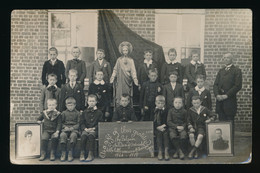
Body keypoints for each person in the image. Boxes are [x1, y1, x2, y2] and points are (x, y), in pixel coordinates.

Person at [213, 53, 242, 122]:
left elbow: (237, 86)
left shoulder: (236, 70)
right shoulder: (221, 71)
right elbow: (215, 84)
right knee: (221, 122)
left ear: (232, 59)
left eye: (228, 58)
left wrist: (227, 95)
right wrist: (217, 95)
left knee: (229, 122)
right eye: (224, 58)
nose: (226, 59)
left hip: (230, 101)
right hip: (220, 101)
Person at [110, 41, 138, 107]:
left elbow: (133, 71)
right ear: (121, 51)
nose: (125, 52)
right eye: (123, 50)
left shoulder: (131, 60)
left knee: (127, 94)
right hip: (120, 80)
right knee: (119, 94)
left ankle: (127, 107)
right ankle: (118, 108)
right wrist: (113, 76)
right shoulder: (119, 60)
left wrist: (135, 78)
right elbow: (115, 69)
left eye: (126, 50)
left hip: (128, 80)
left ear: (128, 51)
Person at [79, 94, 103, 162]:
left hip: (94, 129)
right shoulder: (84, 112)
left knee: (91, 136)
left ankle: (90, 153)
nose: (91, 103)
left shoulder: (99, 112)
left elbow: (100, 123)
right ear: (87, 102)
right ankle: (82, 153)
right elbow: (82, 122)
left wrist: (94, 128)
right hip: (86, 129)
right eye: (90, 101)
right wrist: (85, 129)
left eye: (93, 101)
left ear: (96, 102)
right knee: (83, 136)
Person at [59, 97, 80, 162]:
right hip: (65, 129)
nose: (70, 107)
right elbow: (61, 123)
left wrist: (73, 128)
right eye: (68, 105)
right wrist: (64, 127)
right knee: (62, 135)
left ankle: (71, 152)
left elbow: (79, 123)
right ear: (66, 105)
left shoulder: (77, 113)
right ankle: (63, 152)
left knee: (73, 136)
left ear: (75, 105)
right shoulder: (63, 113)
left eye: (72, 105)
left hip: (74, 129)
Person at [151, 95, 169, 161]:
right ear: (155, 103)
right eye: (158, 103)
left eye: (162, 103)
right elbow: (151, 120)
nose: (160, 105)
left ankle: (166, 151)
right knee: (158, 134)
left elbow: (168, 120)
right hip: (156, 128)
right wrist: (157, 127)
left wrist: (163, 126)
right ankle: (160, 151)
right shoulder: (153, 110)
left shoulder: (166, 111)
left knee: (165, 134)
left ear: (164, 103)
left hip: (164, 127)